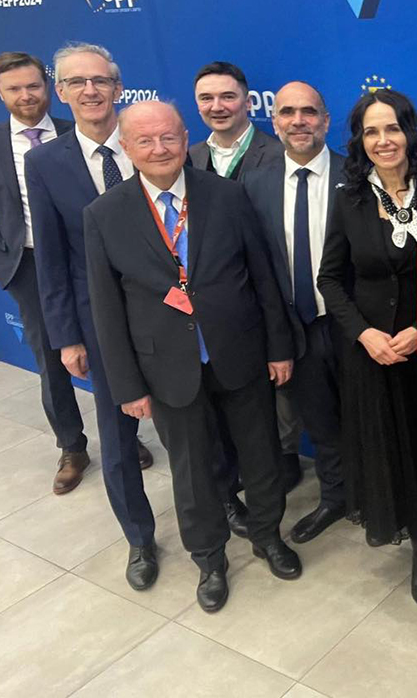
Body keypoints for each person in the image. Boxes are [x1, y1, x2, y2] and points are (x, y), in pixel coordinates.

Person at [85, 100, 299, 614]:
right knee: (192, 470)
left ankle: (268, 536)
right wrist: (127, 386)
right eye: (145, 141)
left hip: (240, 353)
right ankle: (209, 559)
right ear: (126, 147)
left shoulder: (227, 195)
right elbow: (106, 309)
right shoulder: (104, 214)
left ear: (186, 139)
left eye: (169, 137)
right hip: (164, 367)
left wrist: (278, 347)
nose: (159, 149)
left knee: (261, 455)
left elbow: (263, 277)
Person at [316, 88, 417, 607]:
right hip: (376, 355)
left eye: (392, 128)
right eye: (371, 131)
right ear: (360, 141)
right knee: (396, 452)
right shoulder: (350, 199)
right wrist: (364, 334)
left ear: (410, 133)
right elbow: (330, 279)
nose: (383, 140)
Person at [23, 43, 158, 590]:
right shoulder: (44, 163)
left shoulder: (150, 142)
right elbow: (51, 258)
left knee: (197, 422)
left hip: (167, 315)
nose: (90, 90)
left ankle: (222, 504)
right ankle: (139, 538)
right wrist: (66, 336)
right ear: (60, 92)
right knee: (119, 436)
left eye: (100, 80)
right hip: (97, 322)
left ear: (118, 87)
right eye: (77, 82)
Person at [0, 52, 89, 493]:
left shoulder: (78, 131)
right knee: (52, 362)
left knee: (109, 350)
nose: (25, 96)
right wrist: (5, 270)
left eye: (33, 86)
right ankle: (72, 446)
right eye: (14, 89)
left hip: (86, 261)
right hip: (31, 267)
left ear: (49, 87)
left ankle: (123, 437)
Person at [186, 61, 298, 529]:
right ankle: (231, 484)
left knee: (277, 402)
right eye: (207, 98)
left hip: (274, 295)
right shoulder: (188, 157)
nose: (218, 106)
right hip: (216, 310)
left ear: (248, 102)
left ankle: (283, 465)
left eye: (227, 96)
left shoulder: (280, 153)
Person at [244, 82, 347, 543]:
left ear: (326, 120)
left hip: (353, 326)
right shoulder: (255, 183)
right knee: (320, 423)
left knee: (368, 417)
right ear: (275, 121)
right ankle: (336, 498)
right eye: (288, 112)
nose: (298, 121)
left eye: (309, 112)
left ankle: (380, 498)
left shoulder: (357, 176)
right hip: (296, 328)